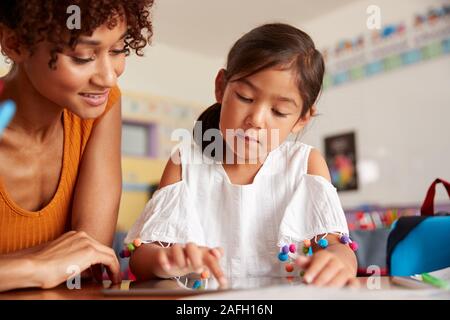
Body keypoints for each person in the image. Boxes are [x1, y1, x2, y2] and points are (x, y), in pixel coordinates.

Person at [126, 23, 358, 288]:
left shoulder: (305, 164)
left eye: (279, 112)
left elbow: (337, 247)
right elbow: (141, 258)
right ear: (221, 87)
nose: (256, 119)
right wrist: (167, 259)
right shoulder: (185, 163)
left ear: (301, 119)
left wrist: (339, 261)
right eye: (245, 97)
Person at [0, 0, 154, 292]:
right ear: (14, 43)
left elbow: (88, 263)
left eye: (118, 50)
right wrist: (34, 266)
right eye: (83, 56)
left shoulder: (102, 109)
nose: (108, 77)